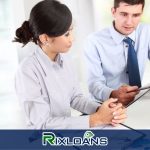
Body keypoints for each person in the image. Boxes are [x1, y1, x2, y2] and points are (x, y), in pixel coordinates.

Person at [13, 0, 126, 129]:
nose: (72, 39)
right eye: (66, 34)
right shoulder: (27, 71)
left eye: (71, 31)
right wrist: (95, 119)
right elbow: (42, 125)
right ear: (45, 38)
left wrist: (103, 109)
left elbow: (75, 98)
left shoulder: (65, 59)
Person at [84, 0, 150, 106]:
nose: (129, 22)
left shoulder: (146, 31)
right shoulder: (94, 41)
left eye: (136, 15)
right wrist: (114, 94)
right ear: (113, 12)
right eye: (124, 14)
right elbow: (94, 84)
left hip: (136, 102)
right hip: (104, 104)